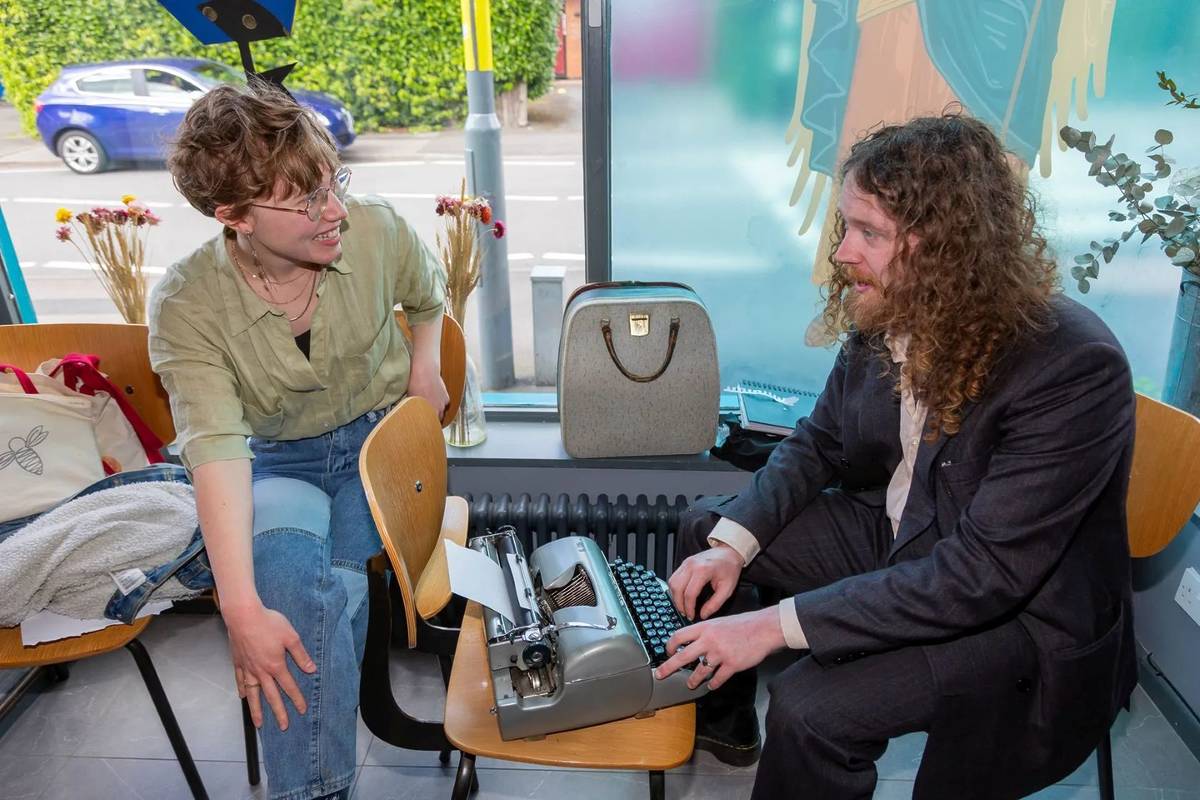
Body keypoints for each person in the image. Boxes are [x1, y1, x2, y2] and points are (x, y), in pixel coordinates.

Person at [655, 113, 1137, 799]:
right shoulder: (890, 313)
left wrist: (769, 627)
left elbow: (980, 575)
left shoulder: (1072, 367)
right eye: (845, 227)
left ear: (948, 249)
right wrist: (732, 548)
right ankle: (726, 718)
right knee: (710, 526)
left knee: (810, 706)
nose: (843, 253)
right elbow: (817, 442)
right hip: (910, 539)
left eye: (869, 234)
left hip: (1019, 615)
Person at [148, 80, 447, 800]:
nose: (335, 210)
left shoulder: (373, 230)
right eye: (306, 199)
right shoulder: (188, 302)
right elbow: (218, 450)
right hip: (279, 460)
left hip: (383, 447)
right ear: (233, 217)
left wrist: (425, 373)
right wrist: (238, 612)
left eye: (331, 182)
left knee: (321, 596)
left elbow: (428, 297)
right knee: (284, 587)